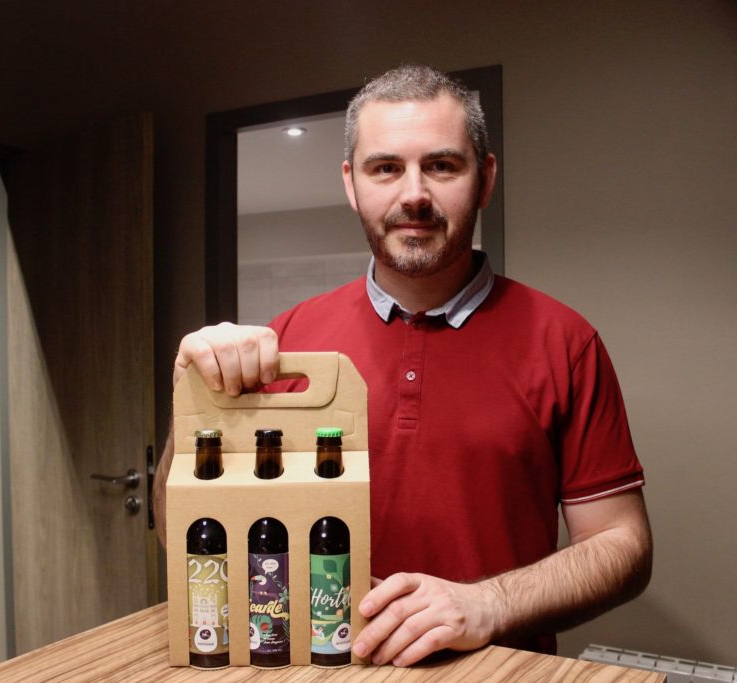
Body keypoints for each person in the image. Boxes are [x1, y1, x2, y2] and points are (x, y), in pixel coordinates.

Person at [154, 64, 652, 667]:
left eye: (441, 165)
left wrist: (488, 602)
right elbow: (181, 531)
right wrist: (191, 406)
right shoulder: (285, 343)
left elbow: (623, 545)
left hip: (496, 673)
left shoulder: (566, 343)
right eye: (385, 168)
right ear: (351, 183)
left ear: (485, 178)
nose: (413, 193)